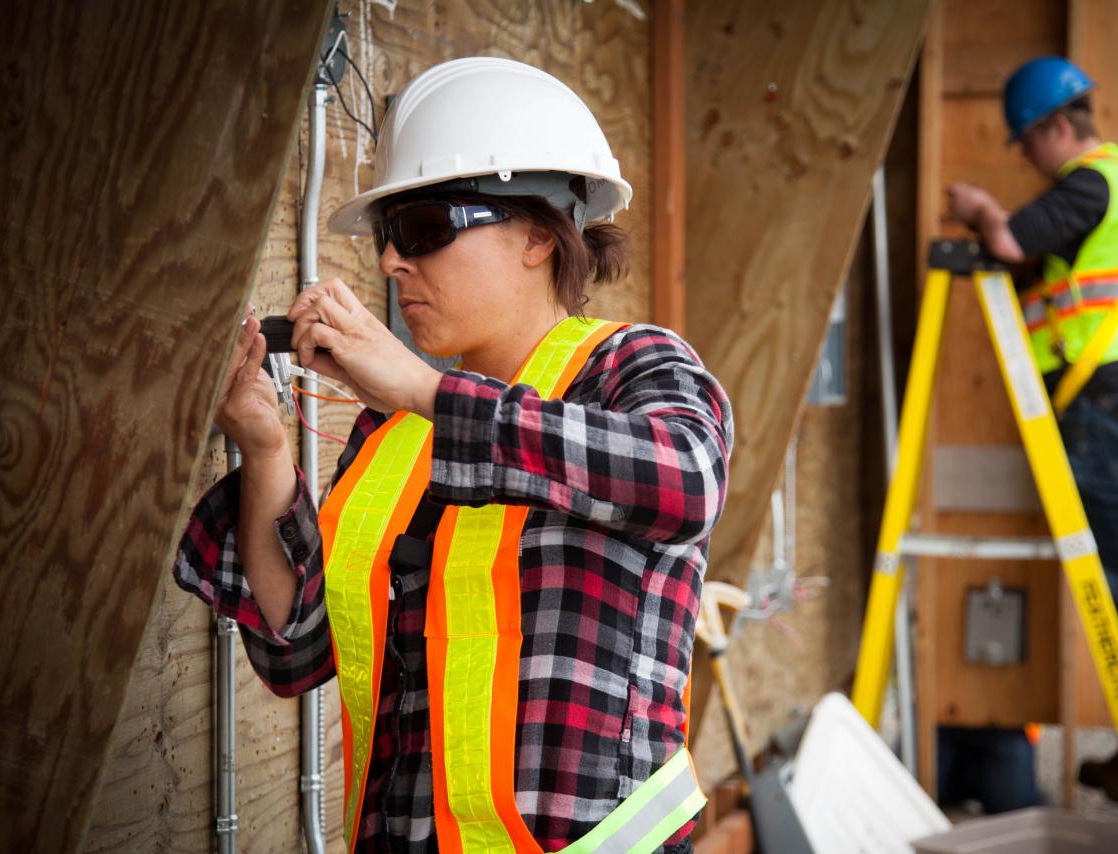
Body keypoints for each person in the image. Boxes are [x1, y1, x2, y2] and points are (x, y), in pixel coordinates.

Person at [174, 56, 732, 853]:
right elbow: (296, 645)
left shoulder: (630, 367)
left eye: (425, 230)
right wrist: (266, 452)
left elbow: (688, 480)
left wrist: (425, 391)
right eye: (388, 237)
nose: (393, 262)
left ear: (539, 234)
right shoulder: (395, 434)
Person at [944, 56, 1118, 803]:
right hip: (1111, 405)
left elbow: (1012, 242)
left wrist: (981, 209)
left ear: (1055, 126)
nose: (1029, 160)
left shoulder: (1094, 180)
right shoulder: (1108, 188)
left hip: (1106, 407)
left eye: (1028, 142)